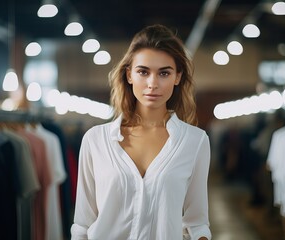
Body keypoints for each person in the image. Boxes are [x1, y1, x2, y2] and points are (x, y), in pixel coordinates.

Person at [70, 24, 212, 240]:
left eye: (164, 73)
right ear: (129, 75)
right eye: (143, 72)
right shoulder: (95, 140)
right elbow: (82, 224)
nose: (152, 83)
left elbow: (197, 223)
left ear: (177, 77)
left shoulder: (195, 141)